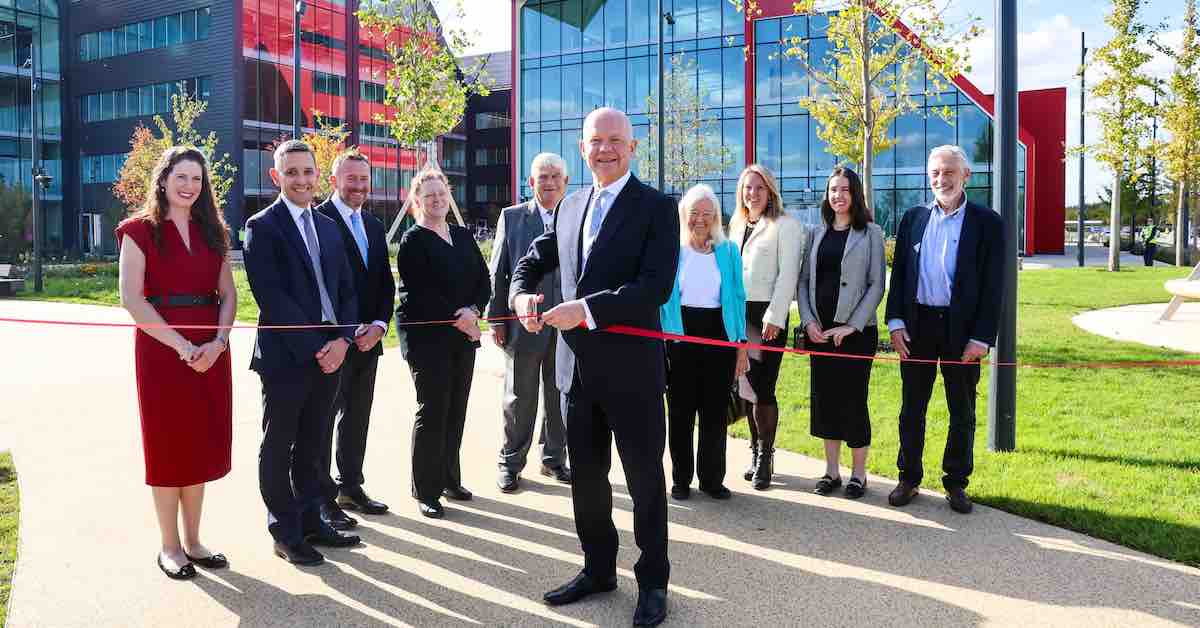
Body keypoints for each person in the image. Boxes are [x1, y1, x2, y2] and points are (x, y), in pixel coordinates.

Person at [511, 107, 678, 627]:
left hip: (633, 375)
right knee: (586, 481)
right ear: (582, 148)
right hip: (575, 374)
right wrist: (520, 296)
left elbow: (654, 287)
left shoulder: (657, 207)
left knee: (645, 482)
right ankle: (599, 569)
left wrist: (585, 310)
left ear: (632, 148)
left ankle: (653, 583)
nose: (604, 149)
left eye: (614, 140)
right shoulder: (569, 204)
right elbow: (533, 259)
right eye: (595, 141)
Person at [116, 146, 236, 580]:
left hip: (211, 349)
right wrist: (183, 347)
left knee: (198, 442)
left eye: (197, 179)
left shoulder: (213, 231)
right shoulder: (138, 230)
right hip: (161, 350)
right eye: (181, 176)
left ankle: (194, 541)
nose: (189, 186)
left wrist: (219, 342)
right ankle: (169, 546)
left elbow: (229, 294)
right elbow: (132, 299)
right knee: (168, 445)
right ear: (163, 179)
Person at [243, 139, 361, 566]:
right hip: (288, 356)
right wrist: (318, 348)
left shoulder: (328, 226)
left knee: (314, 443)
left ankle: (313, 521)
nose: (301, 180)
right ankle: (285, 532)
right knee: (280, 444)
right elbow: (272, 297)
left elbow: (347, 290)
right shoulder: (262, 226)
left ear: (317, 174)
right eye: (291, 172)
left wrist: (343, 340)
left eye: (307, 171)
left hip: (332, 351)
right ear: (275, 176)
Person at [885, 145, 1005, 514]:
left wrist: (981, 338)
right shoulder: (913, 218)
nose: (942, 179)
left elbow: (994, 286)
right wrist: (895, 322)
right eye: (935, 172)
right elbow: (900, 274)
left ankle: (956, 483)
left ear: (966, 175)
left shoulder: (987, 223)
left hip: (962, 332)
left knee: (962, 411)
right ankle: (908, 478)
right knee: (911, 409)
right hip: (917, 327)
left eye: (950, 172)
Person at [395, 167, 491, 519]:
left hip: (462, 337)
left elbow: (483, 280)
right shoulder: (412, 241)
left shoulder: (462, 236)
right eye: (429, 195)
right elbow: (419, 293)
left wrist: (474, 310)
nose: (437, 200)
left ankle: (450, 479)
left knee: (455, 410)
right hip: (427, 339)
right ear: (417, 201)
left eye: (441, 194)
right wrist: (462, 319)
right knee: (433, 411)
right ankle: (426, 490)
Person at [315, 149, 396, 530]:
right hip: (333, 342)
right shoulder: (318, 221)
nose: (359, 186)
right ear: (334, 180)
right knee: (321, 421)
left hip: (369, 341)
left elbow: (384, 282)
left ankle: (351, 487)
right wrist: (347, 333)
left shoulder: (375, 225)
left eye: (364, 179)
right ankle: (322, 500)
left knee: (357, 417)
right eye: (351, 179)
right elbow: (321, 287)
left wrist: (379, 325)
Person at [796, 168, 886, 499]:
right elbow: (803, 281)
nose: (838, 195)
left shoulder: (871, 233)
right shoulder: (816, 233)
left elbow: (877, 284)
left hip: (856, 335)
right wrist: (809, 322)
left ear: (855, 194)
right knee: (825, 401)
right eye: (833, 189)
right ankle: (831, 471)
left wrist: (852, 325)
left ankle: (858, 474)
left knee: (853, 402)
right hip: (820, 333)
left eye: (845, 189)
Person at [487, 152, 572, 494]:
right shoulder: (512, 217)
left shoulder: (576, 216)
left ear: (565, 182)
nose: (549, 182)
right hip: (523, 324)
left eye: (555, 176)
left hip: (566, 325)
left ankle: (553, 458)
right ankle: (510, 463)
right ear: (531, 182)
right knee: (519, 398)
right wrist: (497, 318)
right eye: (542, 177)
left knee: (559, 395)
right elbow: (499, 271)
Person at [660, 184, 749, 502]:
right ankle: (681, 479)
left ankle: (712, 480)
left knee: (714, 414)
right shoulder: (672, 250)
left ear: (715, 218)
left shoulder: (729, 252)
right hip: (681, 337)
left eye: (707, 213)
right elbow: (663, 302)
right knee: (680, 414)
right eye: (694, 213)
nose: (700, 219)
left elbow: (738, 299)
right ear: (684, 214)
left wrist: (741, 345)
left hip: (719, 337)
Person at [727, 164, 805, 490]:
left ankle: (765, 456)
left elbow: (788, 275)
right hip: (737, 315)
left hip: (765, 317)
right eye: (748, 187)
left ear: (770, 191)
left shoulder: (786, 225)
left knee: (762, 387)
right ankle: (754, 449)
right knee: (745, 387)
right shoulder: (736, 224)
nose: (753, 193)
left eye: (759, 187)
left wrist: (775, 315)